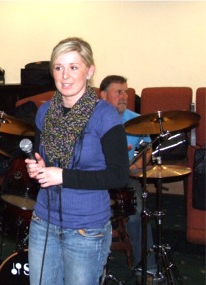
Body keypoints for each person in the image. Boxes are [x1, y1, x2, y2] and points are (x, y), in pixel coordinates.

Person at [24, 37, 129, 285]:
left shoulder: (105, 115)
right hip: (43, 222)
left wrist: (63, 176)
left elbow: (118, 176)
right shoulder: (44, 111)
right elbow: (43, 159)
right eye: (59, 68)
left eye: (74, 67)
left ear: (89, 71)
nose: (65, 76)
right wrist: (37, 167)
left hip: (87, 230)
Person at [99, 75, 156, 275]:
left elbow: (147, 148)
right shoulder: (92, 118)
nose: (124, 96)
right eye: (119, 92)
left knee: (138, 213)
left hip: (127, 178)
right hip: (98, 178)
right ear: (103, 95)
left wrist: (139, 164)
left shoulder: (135, 120)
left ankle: (147, 266)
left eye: (126, 92)